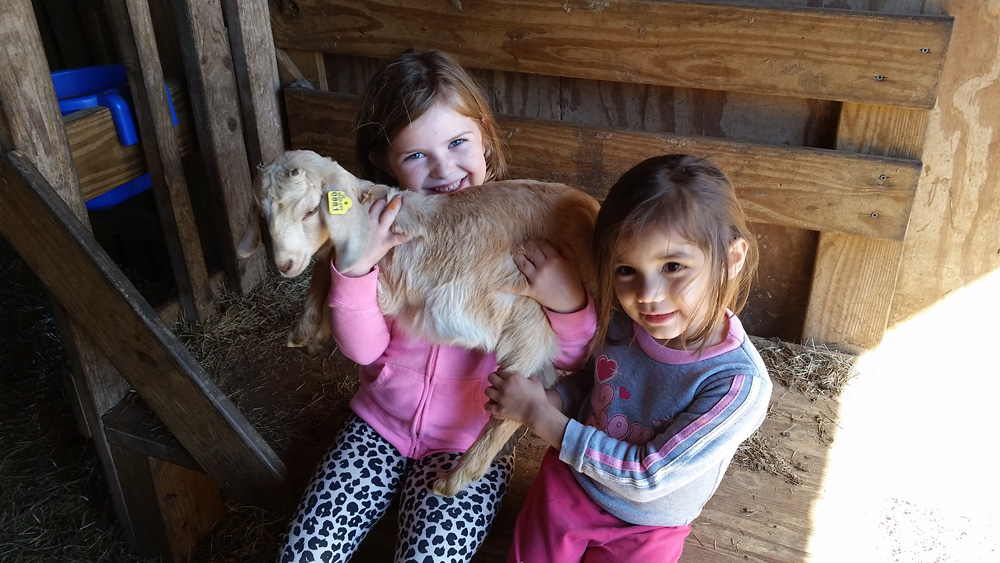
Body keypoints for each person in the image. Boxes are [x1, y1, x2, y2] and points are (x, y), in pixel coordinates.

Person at [277, 48, 597, 563]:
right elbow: (363, 350)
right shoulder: (382, 230)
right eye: (416, 155)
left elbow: (571, 360)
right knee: (305, 550)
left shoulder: (525, 230)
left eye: (457, 143)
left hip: (466, 439)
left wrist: (566, 303)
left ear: (486, 139)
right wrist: (356, 269)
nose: (444, 168)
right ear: (382, 160)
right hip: (378, 424)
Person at [485, 154, 773, 562]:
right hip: (572, 484)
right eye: (625, 270)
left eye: (673, 266)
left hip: (650, 525)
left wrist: (540, 415)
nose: (647, 294)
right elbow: (597, 380)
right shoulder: (623, 323)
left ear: (731, 259)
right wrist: (553, 399)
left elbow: (647, 476)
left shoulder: (737, 385)